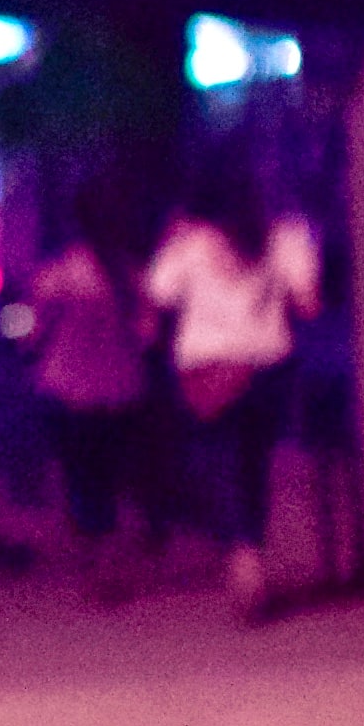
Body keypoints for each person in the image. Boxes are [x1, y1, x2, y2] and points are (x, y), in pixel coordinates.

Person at [141, 167, 322, 620]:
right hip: (267, 367)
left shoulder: (188, 244)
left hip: (206, 370)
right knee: (253, 463)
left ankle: (243, 555)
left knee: (217, 464)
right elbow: (309, 305)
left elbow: (154, 302)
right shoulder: (287, 235)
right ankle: (250, 551)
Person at [22, 206, 156, 595]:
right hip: (122, 387)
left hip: (66, 388)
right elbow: (148, 333)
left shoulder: (56, 276)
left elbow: (33, 334)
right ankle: (106, 550)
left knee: (80, 474)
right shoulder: (130, 274)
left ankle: (94, 551)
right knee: (110, 473)